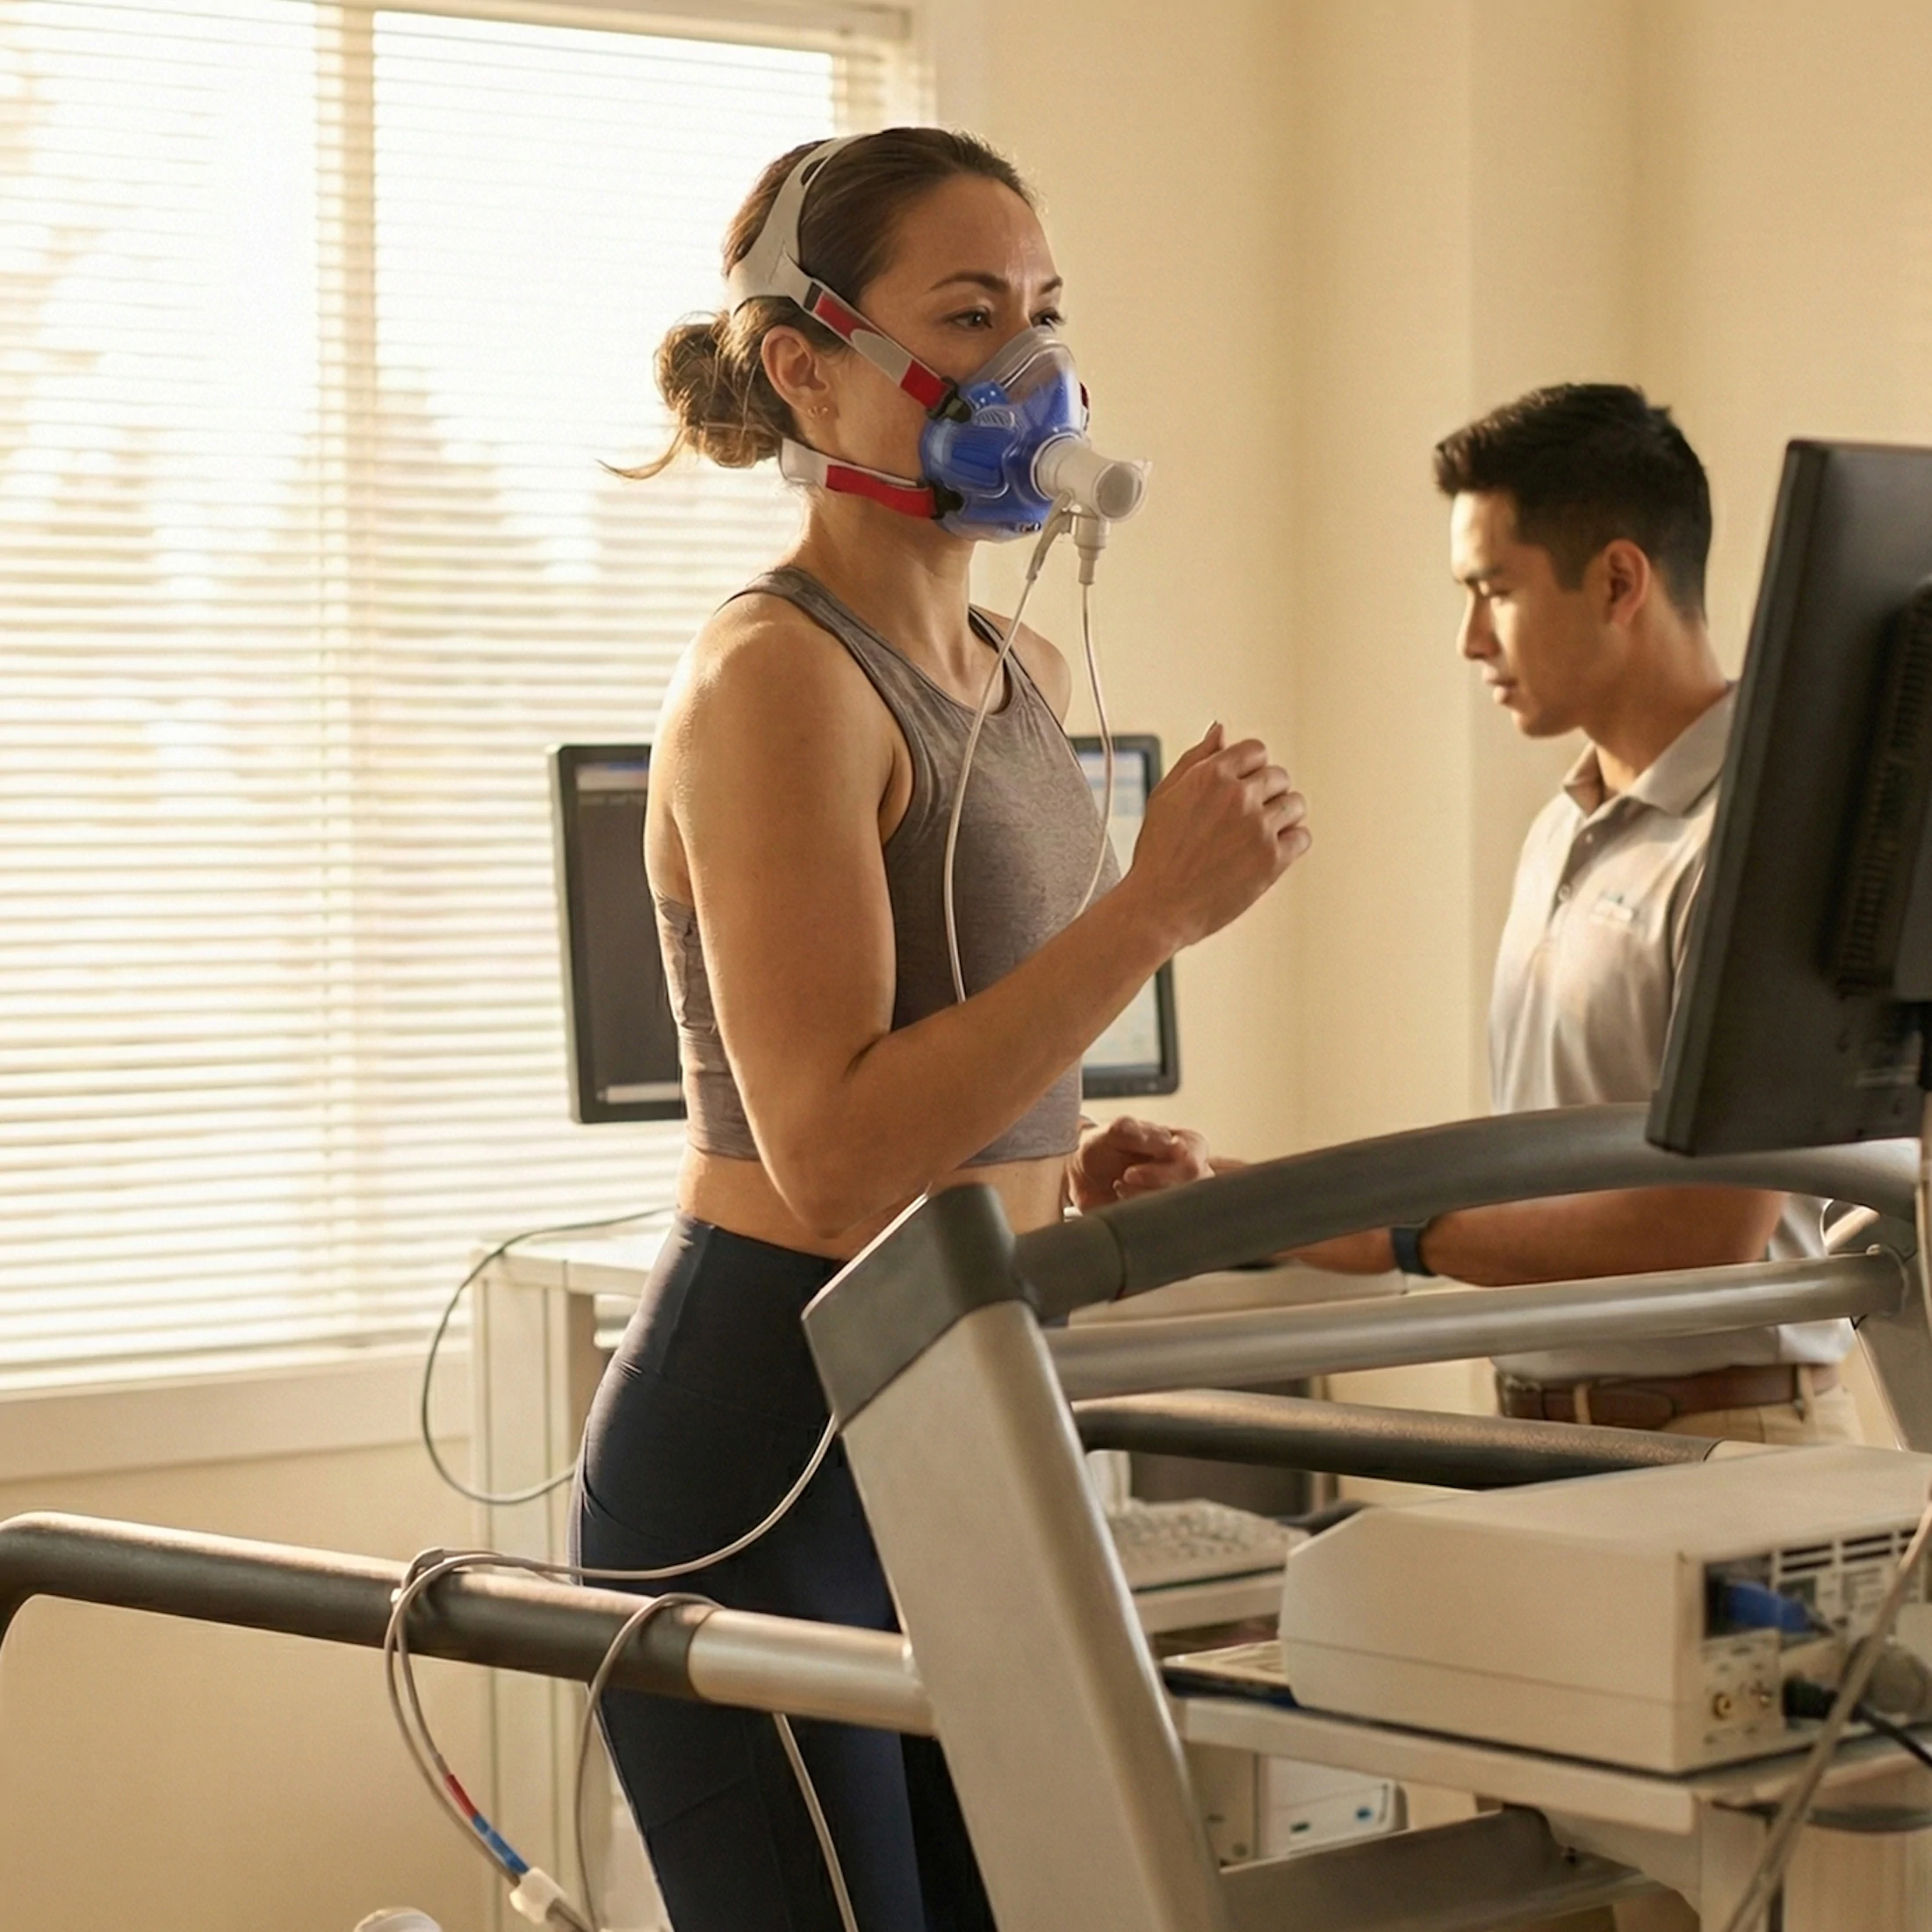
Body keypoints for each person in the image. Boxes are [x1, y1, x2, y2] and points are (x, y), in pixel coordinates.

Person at [574, 127, 1310, 1932]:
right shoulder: (773, 682)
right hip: (766, 1431)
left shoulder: (1028, 675)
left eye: (1042, 313)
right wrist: (1148, 915)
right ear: (806, 364)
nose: (1027, 368)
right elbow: (824, 1153)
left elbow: (968, 1059)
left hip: (965, 1404)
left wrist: (1058, 1153)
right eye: (967, 316)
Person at [1294, 383, 1858, 1449]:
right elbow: (1552, 1163)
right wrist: (1265, 1204)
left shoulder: (1753, 839)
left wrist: (1402, 1235)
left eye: (1491, 590)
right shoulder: (1563, 824)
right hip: (1555, 1434)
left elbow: (1707, 1230)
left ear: (1615, 581)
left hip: (1727, 1438)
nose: (1469, 638)